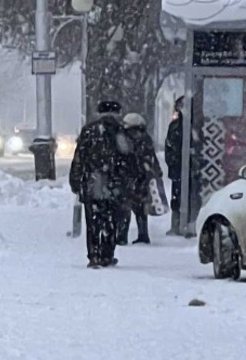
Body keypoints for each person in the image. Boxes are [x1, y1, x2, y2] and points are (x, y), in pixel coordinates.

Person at [70, 99, 134, 268]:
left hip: (92, 182)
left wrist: (75, 181)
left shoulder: (89, 131)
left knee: (93, 221)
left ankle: (94, 255)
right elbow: (129, 158)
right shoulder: (121, 132)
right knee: (112, 219)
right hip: (115, 184)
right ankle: (107, 253)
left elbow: (79, 158)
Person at [121, 113, 162, 245]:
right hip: (139, 177)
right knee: (138, 209)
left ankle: (123, 236)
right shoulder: (145, 139)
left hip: (131, 178)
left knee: (127, 208)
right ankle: (142, 234)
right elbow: (151, 157)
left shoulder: (123, 139)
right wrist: (155, 170)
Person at [165, 97, 203, 231]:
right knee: (177, 197)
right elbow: (168, 146)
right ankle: (177, 223)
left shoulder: (197, 125)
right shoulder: (175, 125)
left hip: (192, 168)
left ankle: (191, 223)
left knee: (193, 195)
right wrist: (172, 162)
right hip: (178, 168)